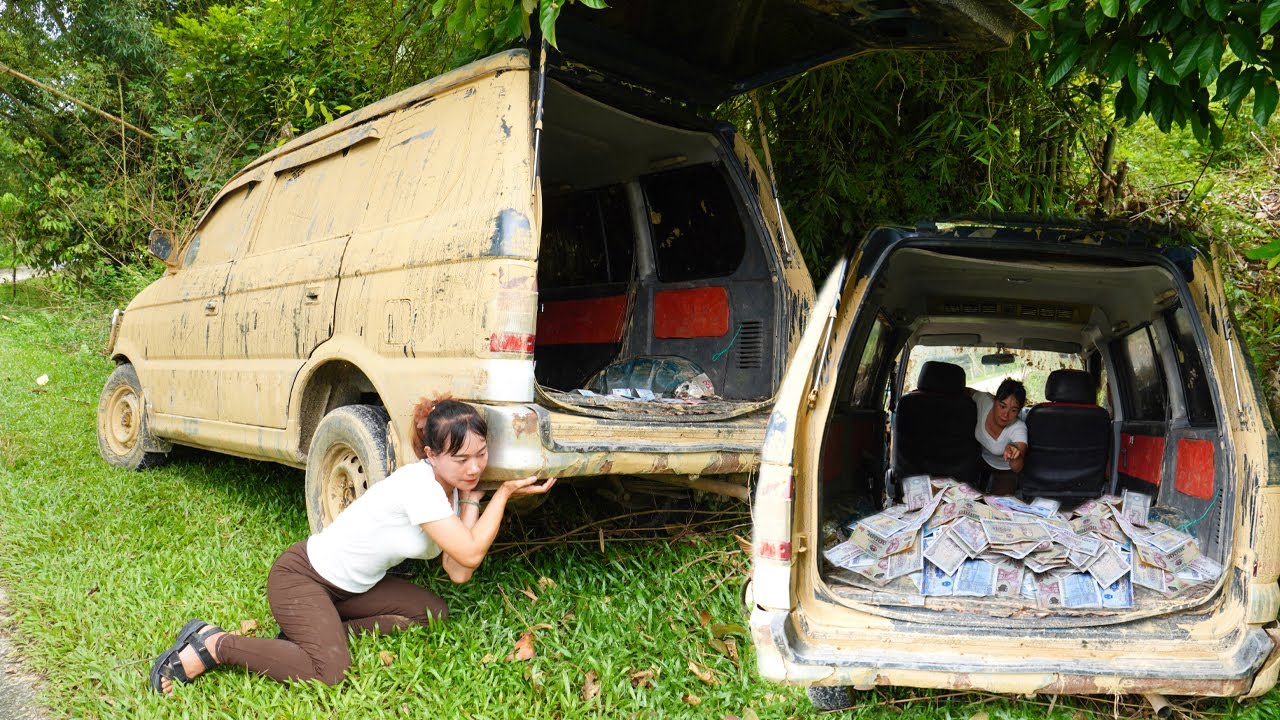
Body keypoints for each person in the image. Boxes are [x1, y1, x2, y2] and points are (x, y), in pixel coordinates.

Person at [150, 397, 556, 693]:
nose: (473, 467)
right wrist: (501, 495)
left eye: (481, 455)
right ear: (431, 455)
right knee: (330, 672)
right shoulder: (419, 485)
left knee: (432, 612)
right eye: (461, 459)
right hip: (302, 578)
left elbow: (458, 571)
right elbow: (469, 553)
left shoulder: (450, 490)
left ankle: (312, 638)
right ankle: (214, 644)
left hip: (351, 589)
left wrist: (472, 499)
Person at [967, 379, 1028, 496]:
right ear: (994, 400)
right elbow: (969, 391)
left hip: (1005, 471)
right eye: (1002, 406)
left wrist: (1015, 453)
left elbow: (1017, 467)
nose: (1006, 415)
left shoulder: (1019, 427)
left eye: (1014, 410)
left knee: (999, 507)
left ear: (1019, 411)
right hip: (982, 461)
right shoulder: (984, 401)